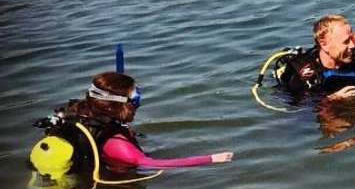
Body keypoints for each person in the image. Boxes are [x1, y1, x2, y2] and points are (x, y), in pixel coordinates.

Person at [34, 71, 233, 171]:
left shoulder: (85, 110)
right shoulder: (115, 144)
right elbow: (154, 164)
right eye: (135, 100)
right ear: (113, 106)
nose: (139, 105)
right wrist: (212, 159)